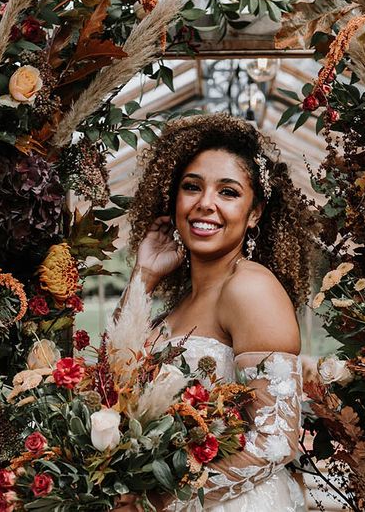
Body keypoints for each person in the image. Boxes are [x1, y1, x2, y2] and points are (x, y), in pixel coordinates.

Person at [115, 113, 316, 511]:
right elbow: (112, 377)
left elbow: (276, 441)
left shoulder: (250, 288)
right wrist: (144, 275)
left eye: (228, 192)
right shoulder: (175, 307)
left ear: (255, 213)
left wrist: (158, 501)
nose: (205, 204)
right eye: (192, 187)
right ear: (173, 201)